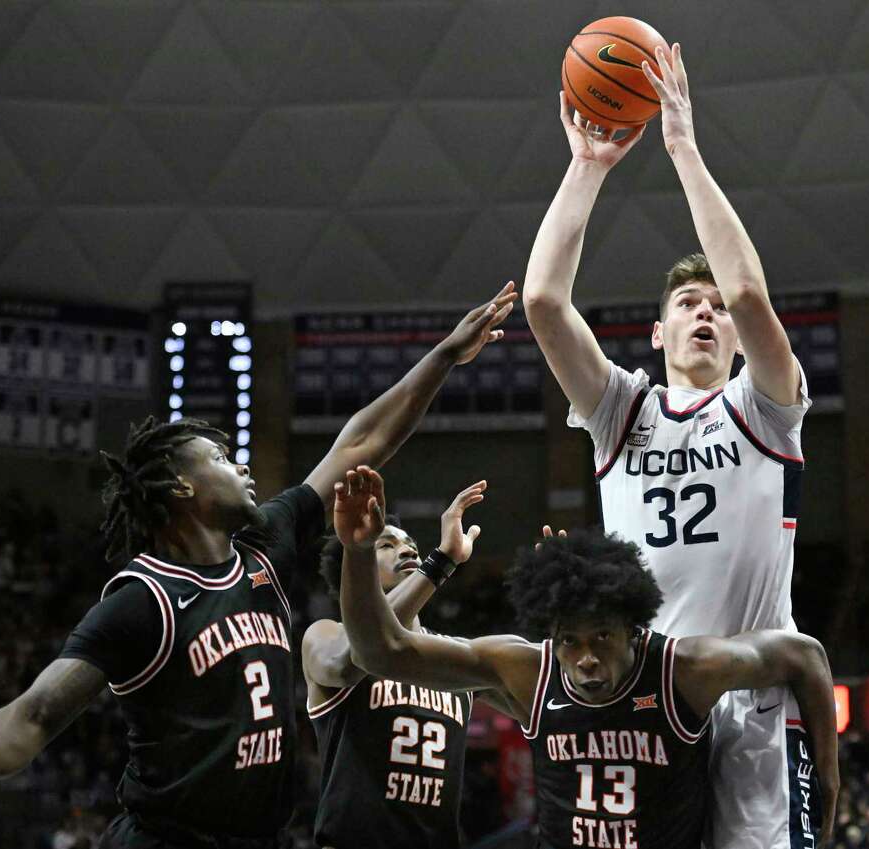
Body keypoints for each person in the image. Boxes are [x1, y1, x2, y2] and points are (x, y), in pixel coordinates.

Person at [0, 284, 518, 849]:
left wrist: (444, 356)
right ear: (178, 486)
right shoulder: (143, 598)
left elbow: (359, 444)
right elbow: (37, 712)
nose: (240, 465)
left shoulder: (267, 541)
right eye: (218, 457)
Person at [521, 44, 818, 849]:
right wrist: (587, 166)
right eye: (689, 301)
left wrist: (682, 146)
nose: (708, 313)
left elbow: (752, 291)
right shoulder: (624, 410)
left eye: (716, 308)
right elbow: (544, 301)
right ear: (656, 332)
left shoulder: (766, 406)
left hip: (751, 698)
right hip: (641, 694)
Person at [332, 466, 838, 849]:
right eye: (570, 640)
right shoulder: (530, 670)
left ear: (635, 631)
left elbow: (806, 656)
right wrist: (356, 554)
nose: (585, 658)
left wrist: (828, 778)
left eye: (602, 638)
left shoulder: (683, 670)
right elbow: (380, 651)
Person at [303, 482, 486, 848]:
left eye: (412, 546)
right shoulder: (325, 635)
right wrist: (441, 562)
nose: (406, 549)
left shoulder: (453, 653)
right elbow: (360, 655)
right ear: (353, 566)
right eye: (386, 544)